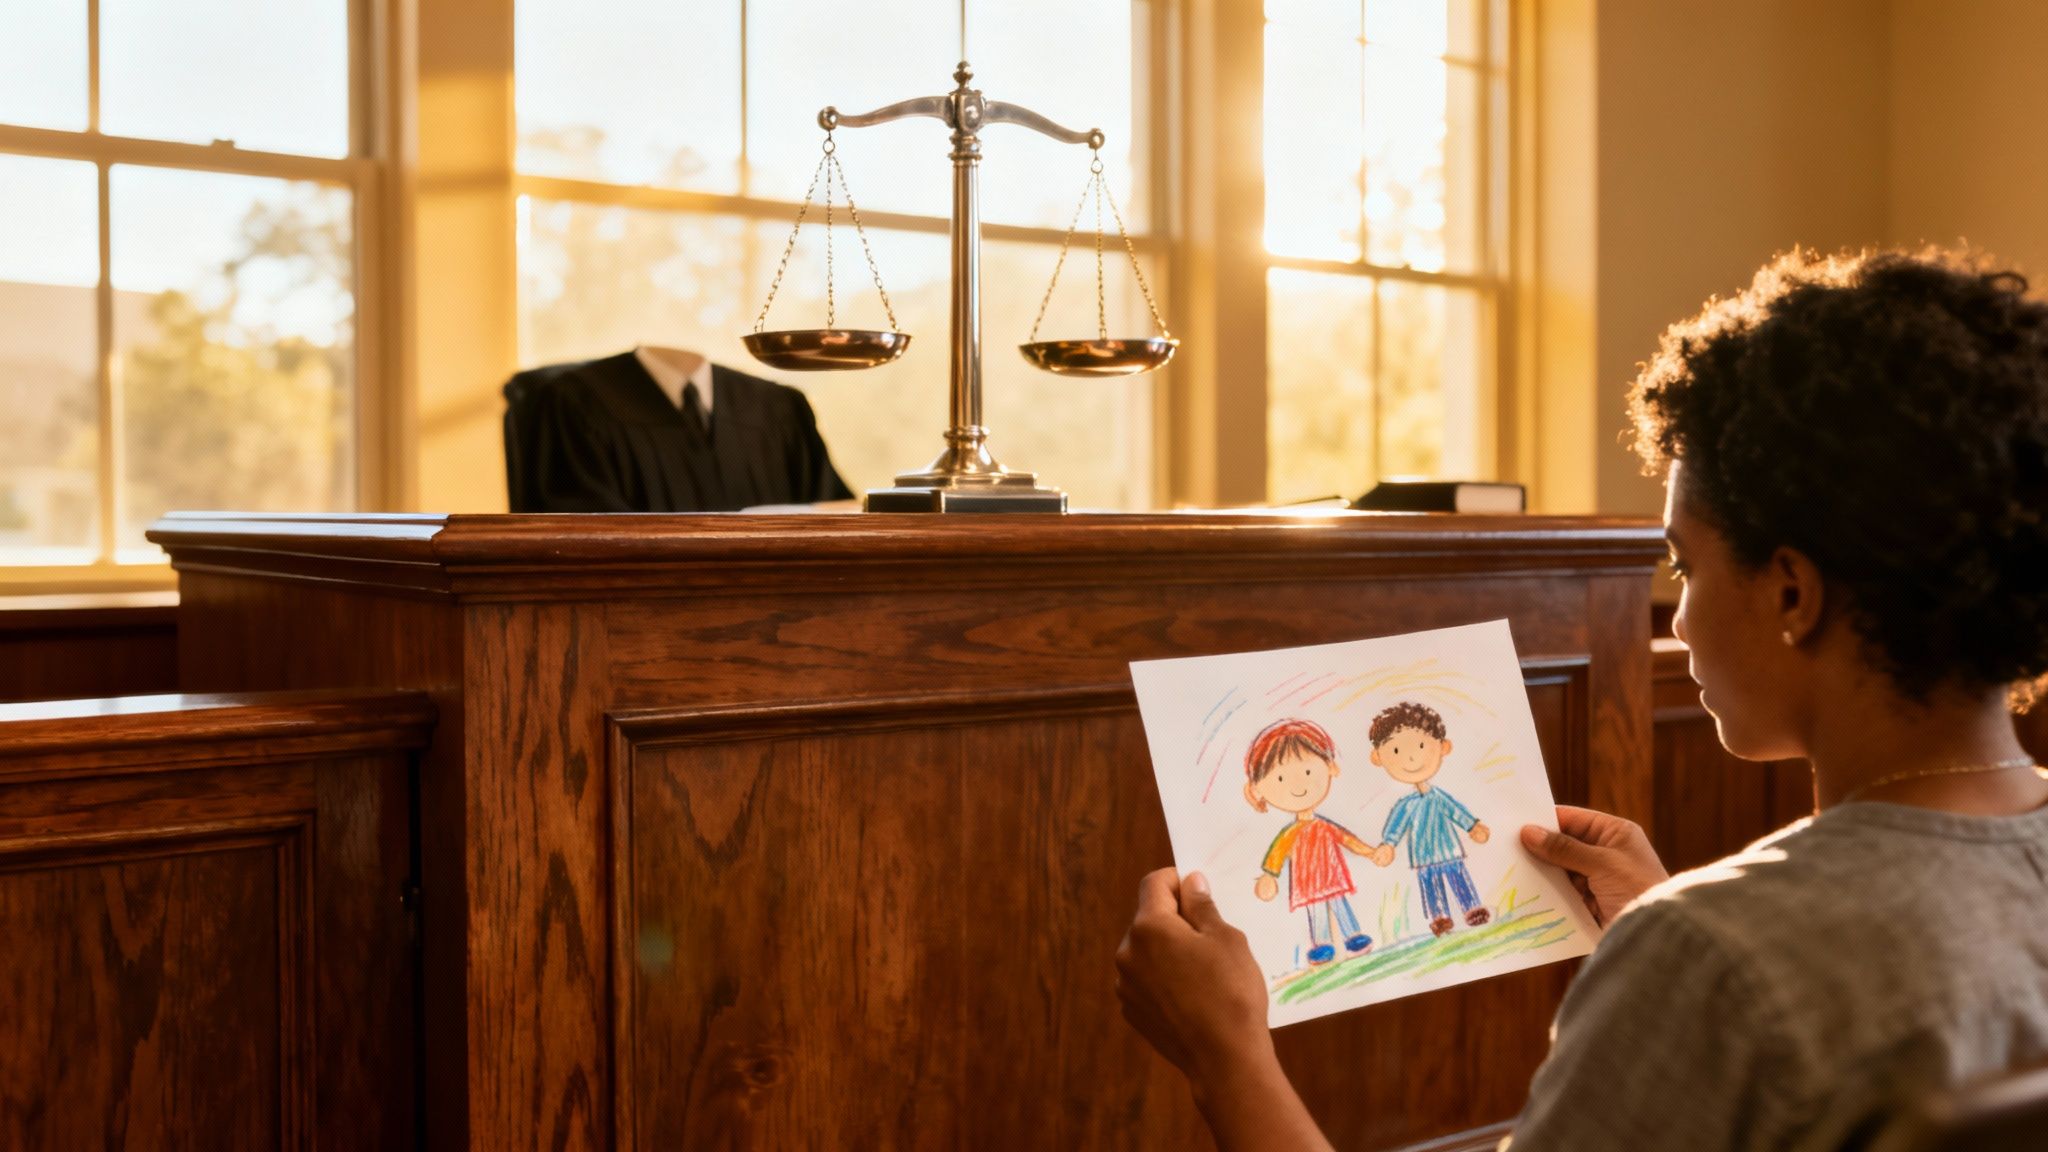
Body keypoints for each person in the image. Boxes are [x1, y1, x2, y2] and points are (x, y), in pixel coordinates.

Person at [1113, 247, 2048, 1151]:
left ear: (1792, 594)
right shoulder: (1708, 948)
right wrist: (1668, 920)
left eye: (1684, 565)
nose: (1677, 621)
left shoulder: (1711, 957)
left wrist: (1225, 1054)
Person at [1242, 718, 1392, 965]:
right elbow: (1276, 855)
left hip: (1331, 876)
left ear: (1330, 768)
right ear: (1258, 789)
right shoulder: (1289, 834)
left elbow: (1347, 840)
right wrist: (1269, 875)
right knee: (1317, 911)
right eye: (1280, 779)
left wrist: (1370, 852)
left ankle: (1353, 937)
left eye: (1309, 771)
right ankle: (1322, 945)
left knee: (1339, 903)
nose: (1298, 785)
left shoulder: (1324, 826)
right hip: (1308, 882)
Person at [1369, 701, 1492, 936]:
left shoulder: (1439, 797)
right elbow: (1396, 827)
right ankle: (1440, 918)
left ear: (1443, 747)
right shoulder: (1405, 805)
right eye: (1396, 751)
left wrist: (1472, 826)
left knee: (1459, 878)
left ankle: (1471, 908)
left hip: (1448, 850)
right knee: (1431, 885)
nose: (1412, 758)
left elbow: (1456, 811)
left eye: (1422, 745)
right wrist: (1388, 844)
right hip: (1424, 858)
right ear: (1378, 757)